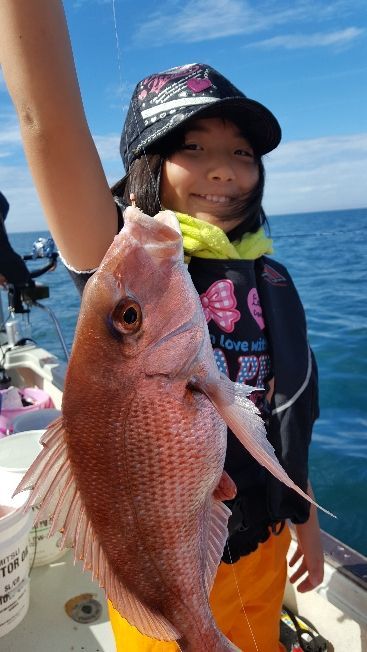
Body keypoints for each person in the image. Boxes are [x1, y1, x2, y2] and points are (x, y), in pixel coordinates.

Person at [0, 2, 324, 650]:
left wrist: (304, 518)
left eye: (240, 152)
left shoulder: (266, 274)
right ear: (146, 164)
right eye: (192, 148)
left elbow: (279, 409)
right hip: (162, 578)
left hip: (262, 547)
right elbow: (45, 123)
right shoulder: (127, 265)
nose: (223, 169)